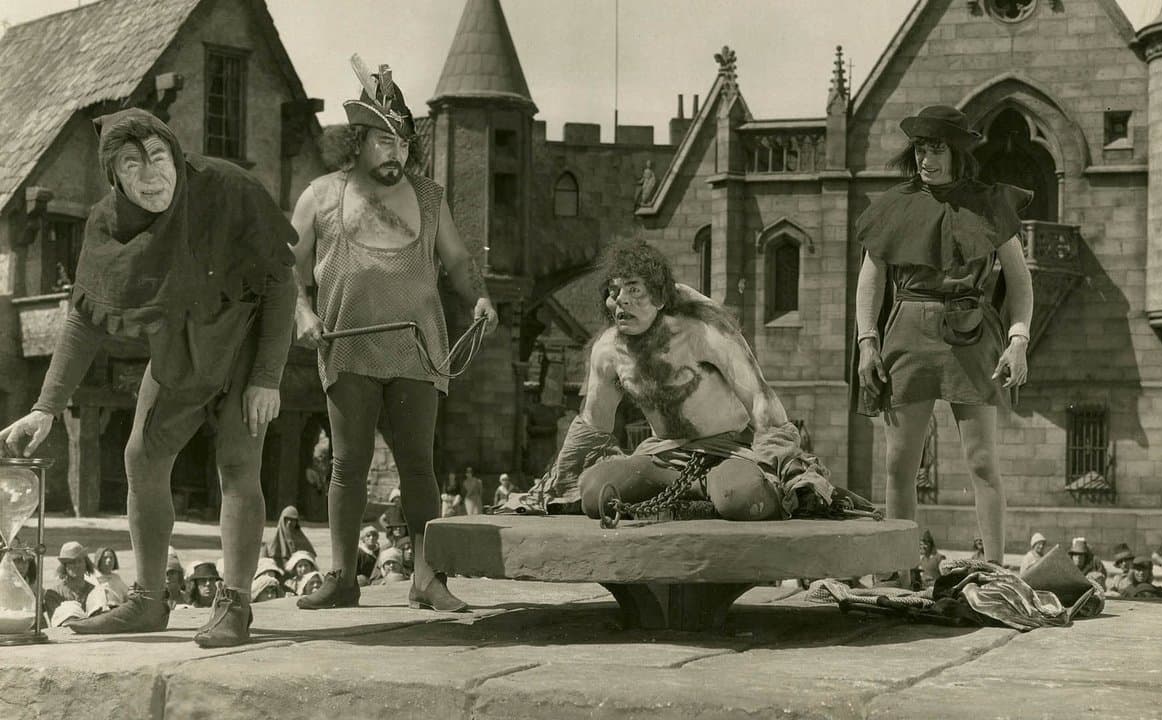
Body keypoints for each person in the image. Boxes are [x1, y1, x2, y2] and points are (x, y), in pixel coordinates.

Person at [0, 108, 297, 648]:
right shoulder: (105, 225)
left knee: (237, 460)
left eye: (159, 157)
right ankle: (148, 600)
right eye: (133, 165)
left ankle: (234, 604)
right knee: (142, 455)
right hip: (179, 354)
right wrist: (45, 407)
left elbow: (281, 282)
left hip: (244, 343)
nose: (151, 174)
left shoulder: (229, 189)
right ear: (114, 177)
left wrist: (267, 377)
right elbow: (83, 318)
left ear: (176, 156)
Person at [291, 58, 496, 613]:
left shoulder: (430, 198)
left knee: (419, 466)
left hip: (418, 346)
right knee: (347, 464)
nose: (396, 153)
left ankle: (428, 578)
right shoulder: (320, 196)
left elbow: (456, 263)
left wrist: (477, 296)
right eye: (384, 140)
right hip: (349, 344)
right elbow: (287, 266)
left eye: (403, 142)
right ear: (357, 142)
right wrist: (301, 310)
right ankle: (341, 577)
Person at [512, 240, 856, 523]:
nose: (622, 302)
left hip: (729, 451)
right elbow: (594, 424)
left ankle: (743, 494)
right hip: (664, 455)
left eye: (635, 290)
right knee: (594, 494)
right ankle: (689, 498)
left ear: (660, 297)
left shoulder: (703, 331)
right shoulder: (608, 351)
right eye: (614, 292)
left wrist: (787, 466)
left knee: (739, 499)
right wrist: (559, 480)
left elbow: (760, 402)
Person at [854, 106, 1034, 572]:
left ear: (956, 154)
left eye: (935, 150)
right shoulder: (894, 205)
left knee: (980, 461)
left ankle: (994, 570)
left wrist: (1018, 340)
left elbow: (1019, 279)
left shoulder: (990, 203)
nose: (925, 159)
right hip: (907, 333)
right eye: (919, 149)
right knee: (898, 464)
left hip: (971, 334)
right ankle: (898, 571)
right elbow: (870, 280)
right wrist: (867, 342)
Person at [44, 541, 95, 612]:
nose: (77, 565)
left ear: (86, 563)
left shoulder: (94, 591)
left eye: (80, 561)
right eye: (72, 562)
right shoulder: (54, 593)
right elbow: (58, 621)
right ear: (64, 566)